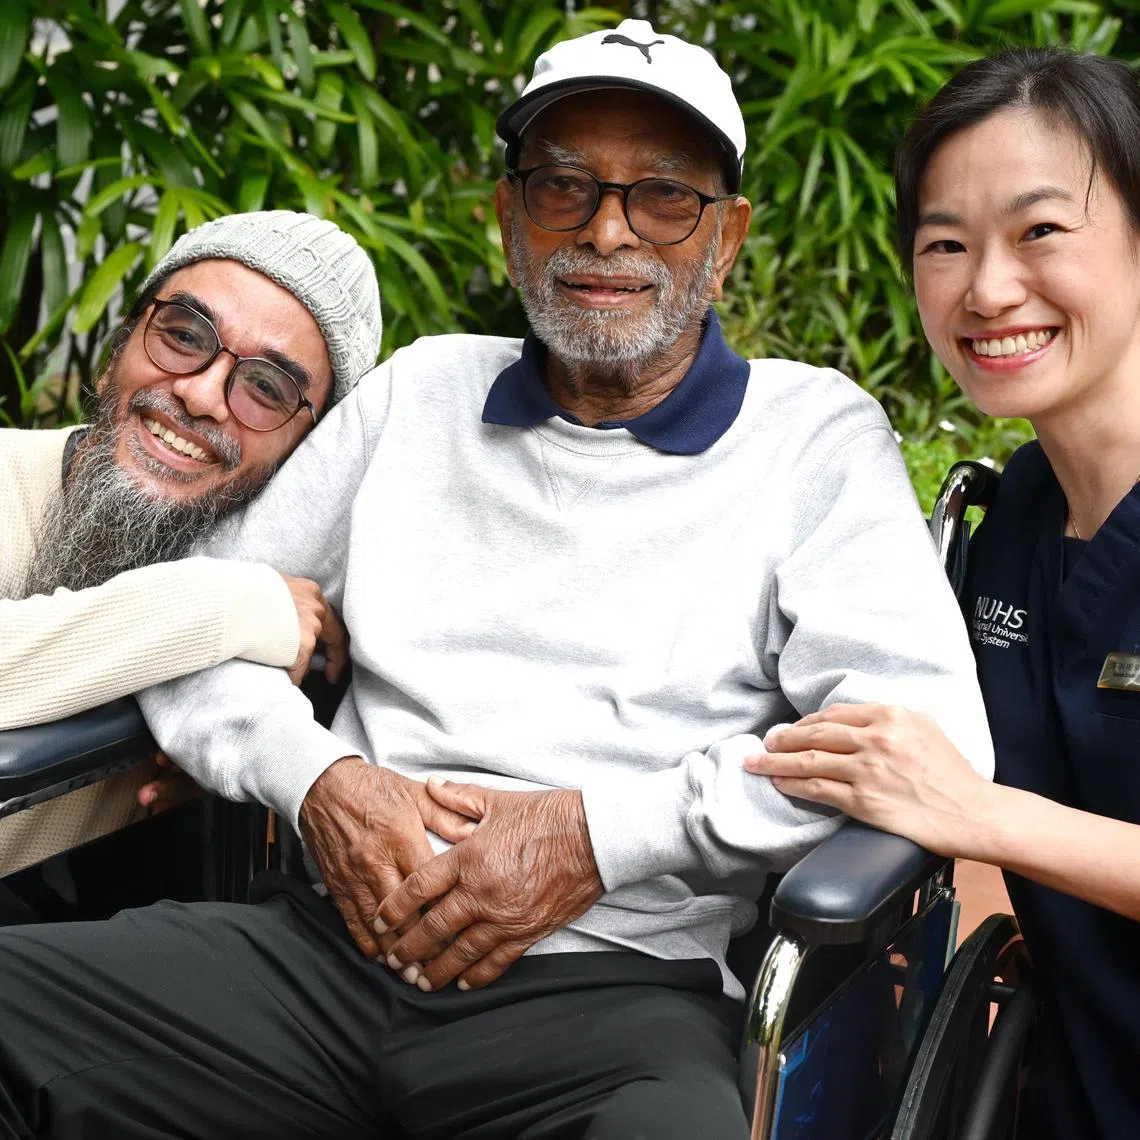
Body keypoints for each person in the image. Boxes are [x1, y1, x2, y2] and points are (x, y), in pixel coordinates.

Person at [0, 21, 993, 1140]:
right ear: (510, 219)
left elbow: (922, 736)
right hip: (318, 957)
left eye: (664, 198)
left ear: (725, 239)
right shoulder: (418, 394)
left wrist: (600, 837)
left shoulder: (812, 437)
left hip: (612, 996)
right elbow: (203, 626)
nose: (607, 230)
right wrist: (318, 779)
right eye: (563, 186)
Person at [749, 48, 1140, 1140]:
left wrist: (982, 816)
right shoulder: (1007, 520)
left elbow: (975, 806)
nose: (989, 289)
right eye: (946, 245)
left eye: (1041, 230)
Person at [0, 210, 379, 878]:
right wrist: (225, 606)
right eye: (183, 335)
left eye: (267, 387)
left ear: (307, 455)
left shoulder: (305, 613)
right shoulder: (262, 606)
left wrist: (228, 748)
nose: (202, 395)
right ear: (120, 345)